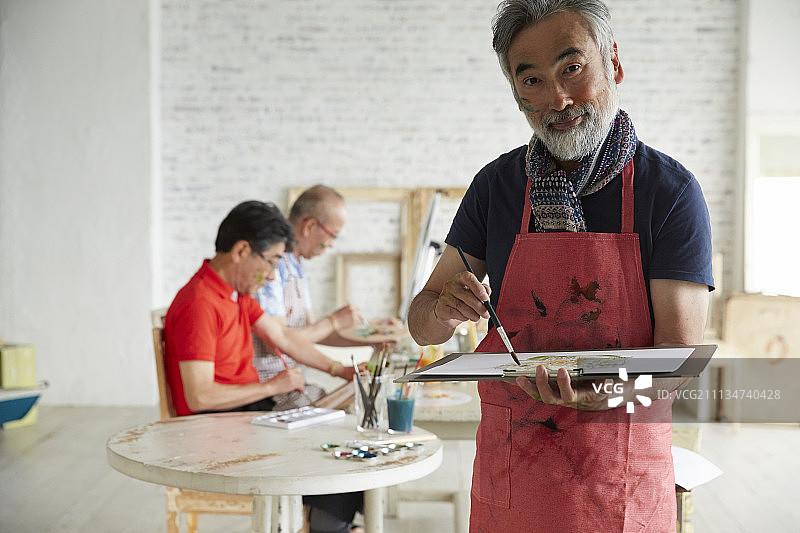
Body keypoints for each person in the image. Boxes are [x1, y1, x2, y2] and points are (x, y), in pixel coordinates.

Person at [407, 1, 714, 531]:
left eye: (572, 68)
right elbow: (421, 323)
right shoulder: (497, 188)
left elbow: (677, 364)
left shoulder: (669, 192)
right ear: (516, 93)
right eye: (532, 80)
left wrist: (605, 395)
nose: (559, 99)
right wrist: (445, 309)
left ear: (613, 63)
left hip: (619, 479)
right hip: (514, 475)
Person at [164, 200, 364, 533]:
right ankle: (336, 528)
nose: (272, 275)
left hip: (245, 416)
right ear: (242, 251)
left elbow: (283, 336)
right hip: (217, 430)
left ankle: (336, 527)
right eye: (271, 261)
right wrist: (272, 386)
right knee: (332, 450)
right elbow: (199, 397)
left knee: (343, 439)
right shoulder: (200, 302)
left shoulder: (235, 294)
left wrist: (340, 370)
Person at [253, 185, 369, 410]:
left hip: (294, 384)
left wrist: (373, 338)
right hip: (269, 390)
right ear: (310, 226)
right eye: (333, 235)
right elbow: (276, 342)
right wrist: (333, 322)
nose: (331, 244)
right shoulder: (273, 265)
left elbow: (312, 332)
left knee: (350, 400)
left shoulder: (297, 264)